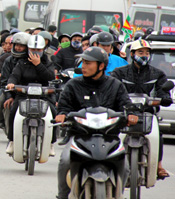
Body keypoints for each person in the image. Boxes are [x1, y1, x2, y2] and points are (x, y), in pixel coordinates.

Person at [54, 47, 137, 199]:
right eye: (82, 63)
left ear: (101, 66)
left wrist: (131, 114)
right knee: (65, 161)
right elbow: (64, 106)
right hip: (79, 137)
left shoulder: (115, 85)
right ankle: (62, 196)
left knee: (125, 167)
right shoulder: (73, 84)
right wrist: (62, 115)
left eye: (88, 63)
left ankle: (119, 194)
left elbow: (126, 105)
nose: (83, 66)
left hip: (110, 138)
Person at [111, 39, 172, 179]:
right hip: (125, 112)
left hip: (147, 113)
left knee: (158, 136)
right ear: (132, 54)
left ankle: (158, 165)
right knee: (111, 134)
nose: (144, 55)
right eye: (140, 52)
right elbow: (112, 87)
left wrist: (164, 99)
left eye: (147, 52)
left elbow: (164, 93)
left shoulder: (158, 74)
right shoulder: (119, 72)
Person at [5, 35, 55, 155]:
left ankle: (51, 143)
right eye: (32, 49)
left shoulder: (48, 63)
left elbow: (50, 77)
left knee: (53, 111)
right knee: (13, 111)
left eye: (38, 50)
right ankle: (11, 141)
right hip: (24, 95)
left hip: (43, 96)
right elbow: (14, 75)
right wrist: (11, 83)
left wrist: (38, 65)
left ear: (43, 50)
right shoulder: (22, 62)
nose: (35, 52)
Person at [0, 32, 30, 129]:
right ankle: (1, 120)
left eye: (22, 46)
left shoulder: (32, 59)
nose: (19, 48)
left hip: (28, 92)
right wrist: (9, 96)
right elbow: (4, 80)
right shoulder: (8, 60)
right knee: (1, 100)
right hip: (11, 90)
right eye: (17, 45)